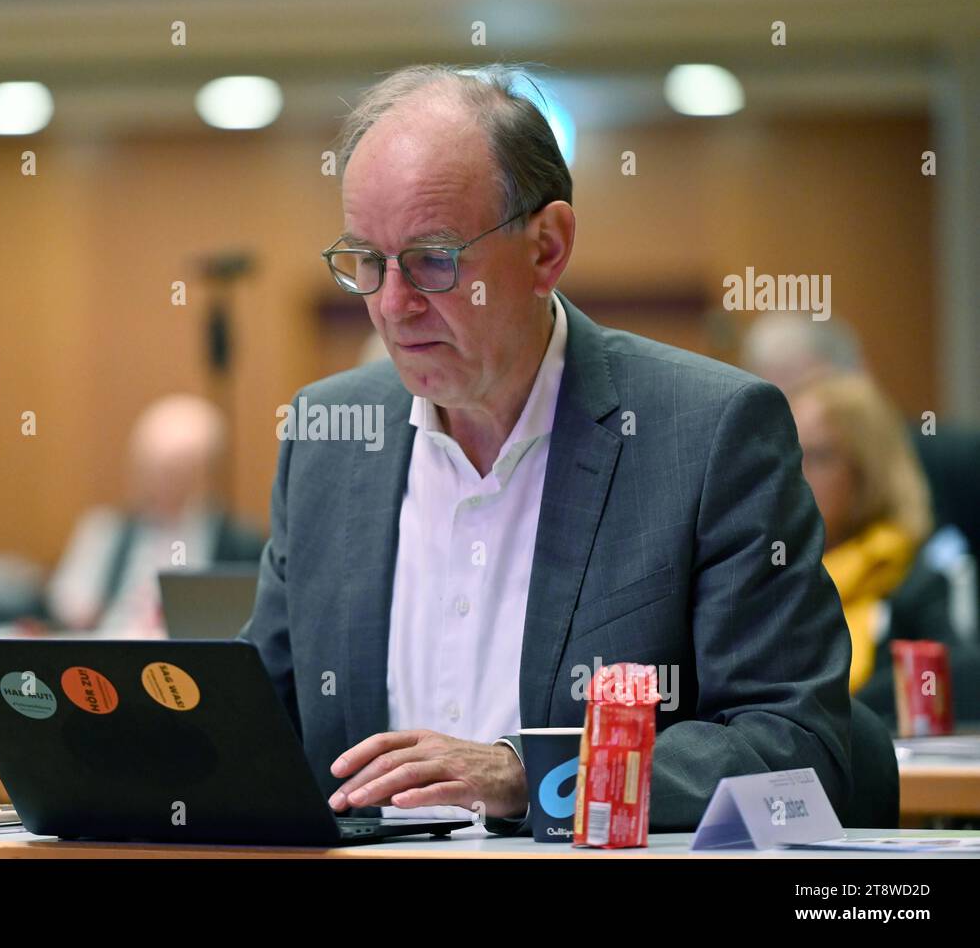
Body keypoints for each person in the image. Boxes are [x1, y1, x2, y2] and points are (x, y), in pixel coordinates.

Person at [240, 63, 862, 833]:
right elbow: (260, 719)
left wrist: (531, 776)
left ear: (547, 248)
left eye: (434, 260)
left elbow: (797, 751)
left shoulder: (708, 433)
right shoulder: (328, 436)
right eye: (367, 263)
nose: (392, 306)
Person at [791, 373, 979, 720]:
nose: (797, 475)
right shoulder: (777, 572)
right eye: (791, 455)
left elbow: (959, 684)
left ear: (867, 471)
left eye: (817, 456)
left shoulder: (916, 576)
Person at [48, 394, 264, 635]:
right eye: (151, 467)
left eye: (177, 470)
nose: (162, 481)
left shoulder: (239, 542)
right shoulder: (106, 531)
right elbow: (69, 606)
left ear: (204, 471)